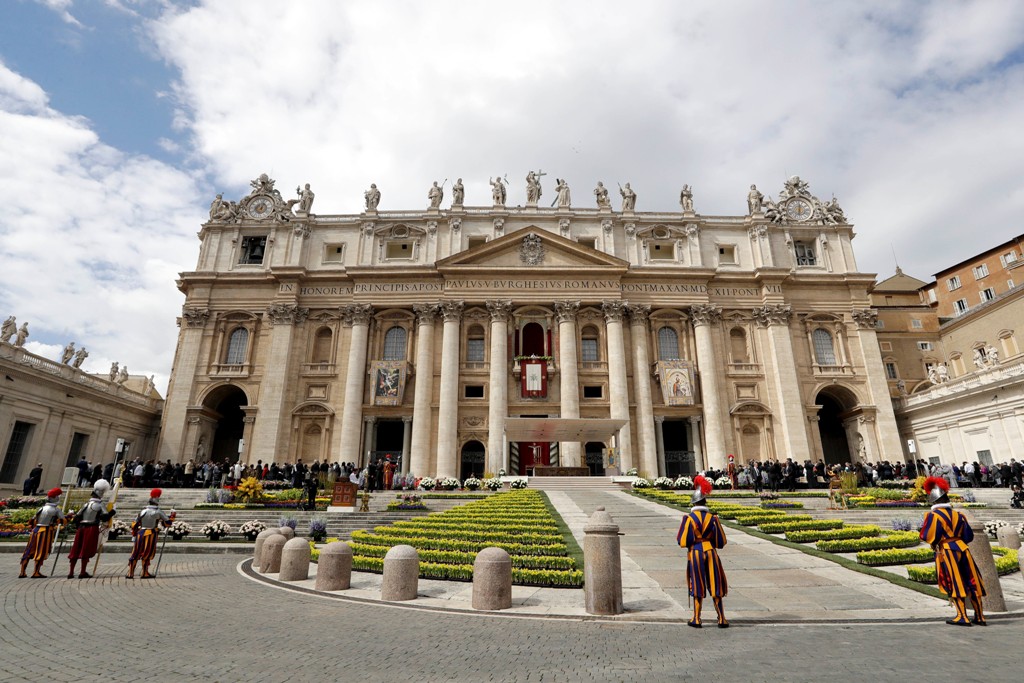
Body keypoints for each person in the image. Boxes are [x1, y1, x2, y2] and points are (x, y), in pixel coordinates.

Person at [920, 476, 986, 625]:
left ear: (934, 501)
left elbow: (926, 535)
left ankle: (962, 616)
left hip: (947, 551)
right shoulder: (959, 515)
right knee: (972, 580)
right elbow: (968, 535)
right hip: (963, 548)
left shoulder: (933, 515)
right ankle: (980, 616)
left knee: (954, 581)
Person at [677, 475, 728, 628]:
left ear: (693, 503)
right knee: (715, 582)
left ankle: (697, 619)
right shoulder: (713, 519)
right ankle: (721, 619)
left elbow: (683, 541)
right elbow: (721, 541)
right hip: (711, 551)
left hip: (696, 553)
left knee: (697, 582)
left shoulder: (689, 519)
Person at [67, 479, 116, 579]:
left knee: (76, 548)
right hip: (91, 528)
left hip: (81, 528)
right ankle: (82, 571)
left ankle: (71, 572)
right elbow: (104, 517)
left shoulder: (86, 504)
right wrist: (112, 512)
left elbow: (77, 518)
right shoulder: (99, 505)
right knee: (86, 548)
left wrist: (78, 526)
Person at [127, 488, 175, 579]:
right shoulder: (158, 511)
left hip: (140, 533)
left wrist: (134, 533)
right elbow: (167, 523)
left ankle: (130, 573)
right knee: (147, 553)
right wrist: (172, 516)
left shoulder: (142, 511)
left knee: (136, 553)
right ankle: (144, 573)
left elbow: (134, 524)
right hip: (151, 533)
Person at [19, 487, 67, 578]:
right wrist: (66, 519)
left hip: (35, 530)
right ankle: (36, 572)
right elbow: (62, 521)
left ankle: (22, 572)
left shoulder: (41, 508)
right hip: (45, 531)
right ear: (56, 497)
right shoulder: (56, 510)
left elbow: (32, 520)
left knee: (29, 550)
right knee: (41, 551)